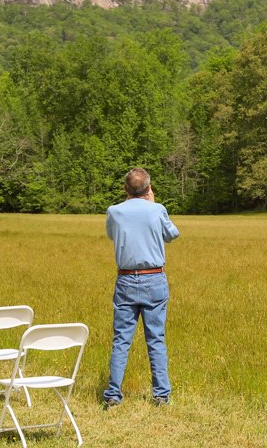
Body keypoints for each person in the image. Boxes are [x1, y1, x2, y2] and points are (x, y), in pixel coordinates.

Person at [103, 167, 180, 407]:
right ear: (148, 188)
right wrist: (153, 204)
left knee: (121, 339)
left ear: (125, 189)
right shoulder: (157, 210)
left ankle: (113, 394)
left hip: (125, 279)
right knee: (156, 339)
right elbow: (172, 235)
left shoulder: (114, 211)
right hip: (154, 278)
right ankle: (161, 395)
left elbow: (112, 235)